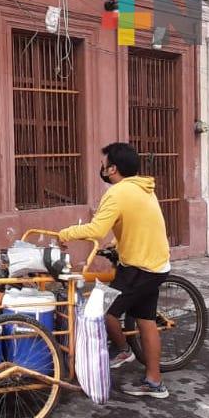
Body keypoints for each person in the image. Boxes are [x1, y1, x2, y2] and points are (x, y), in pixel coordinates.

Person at [58, 142, 171, 399]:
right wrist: (117, 243)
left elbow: (96, 230)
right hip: (156, 263)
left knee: (101, 310)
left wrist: (65, 233)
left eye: (103, 164)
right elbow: (138, 223)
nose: (101, 167)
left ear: (113, 169)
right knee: (146, 321)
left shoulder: (117, 193)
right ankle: (155, 383)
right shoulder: (143, 188)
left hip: (140, 267)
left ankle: (124, 351)